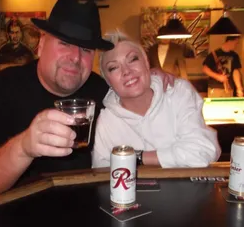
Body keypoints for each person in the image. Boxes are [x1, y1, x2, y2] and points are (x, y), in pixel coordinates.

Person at [0, 0, 174, 198]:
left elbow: (151, 125)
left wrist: (150, 79)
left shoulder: (104, 93)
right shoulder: (1, 89)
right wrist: (25, 146)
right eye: (64, 43)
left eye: (86, 49)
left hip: (92, 216)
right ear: (41, 44)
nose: (75, 57)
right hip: (20, 222)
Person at [92, 30, 221, 168]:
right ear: (108, 81)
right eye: (113, 67)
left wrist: (137, 157)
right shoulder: (106, 120)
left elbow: (203, 150)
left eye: (133, 59)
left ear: (147, 63)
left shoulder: (177, 92)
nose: (126, 71)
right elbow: (101, 175)